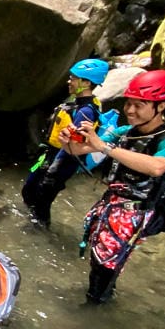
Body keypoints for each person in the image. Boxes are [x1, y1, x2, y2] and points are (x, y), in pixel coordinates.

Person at [60, 69, 165, 303]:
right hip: (112, 206)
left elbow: (158, 167)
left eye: (139, 105)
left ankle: (96, 304)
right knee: (100, 261)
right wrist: (70, 142)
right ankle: (99, 297)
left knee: (106, 267)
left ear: (160, 107)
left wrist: (105, 148)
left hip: (136, 213)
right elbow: (82, 150)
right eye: (129, 103)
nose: (130, 110)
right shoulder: (125, 133)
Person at [21, 58, 109, 227]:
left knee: (41, 199)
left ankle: (39, 230)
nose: (70, 81)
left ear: (86, 82)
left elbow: (72, 145)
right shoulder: (79, 103)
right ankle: (32, 222)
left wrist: (53, 169)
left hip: (63, 160)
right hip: (52, 154)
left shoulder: (85, 112)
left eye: (74, 78)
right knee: (30, 190)